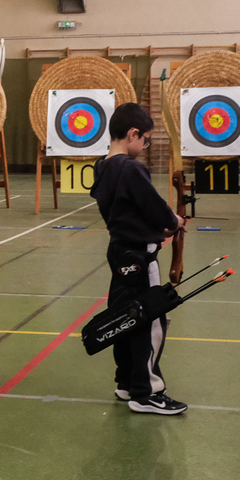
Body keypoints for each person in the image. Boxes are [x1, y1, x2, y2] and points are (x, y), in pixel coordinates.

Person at [88, 102, 187, 415]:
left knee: (125, 316)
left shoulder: (102, 166)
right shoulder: (130, 169)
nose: (145, 146)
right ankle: (147, 392)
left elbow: (128, 210)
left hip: (119, 252)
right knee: (149, 319)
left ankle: (127, 381)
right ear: (132, 134)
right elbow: (154, 208)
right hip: (141, 258)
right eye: (145, 140)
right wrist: (174, 222)